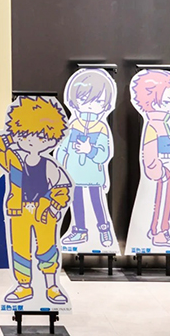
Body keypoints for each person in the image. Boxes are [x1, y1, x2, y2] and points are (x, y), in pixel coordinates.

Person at [0, 96, 71, 305]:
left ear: (52, 138)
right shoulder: (13, 160)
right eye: (26, 134)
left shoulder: (49, 165)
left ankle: (51, 286)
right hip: (19, 211)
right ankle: (24, 286)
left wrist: (53, 205)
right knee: (20, 248)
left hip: (44, 212)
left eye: (40, 136)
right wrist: (12, 136)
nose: (32, 141)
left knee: (47, 248)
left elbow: (63, 188)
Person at [57, 69, 115, 247]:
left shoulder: (101, 127)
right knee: (77, 202)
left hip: (94, 176)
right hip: (74, 174)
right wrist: (58, 167)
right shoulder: (73, 124)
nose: (90, 105)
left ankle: (104, 229)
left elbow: (104, 154)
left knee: (98, 203)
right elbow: (63, 148)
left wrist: (90, 150)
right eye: (84, 99)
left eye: (97, 101)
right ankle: (80, 230)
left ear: (105, 104)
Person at [131, 70, 170, 248]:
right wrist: (157, 171)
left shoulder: (162, 124)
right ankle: (159, 232)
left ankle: (159, 229)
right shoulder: (154, 126)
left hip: (168, 171)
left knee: (166, 201)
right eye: (167, 102)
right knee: (161, 202)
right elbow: (149, 152)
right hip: (163, 173)